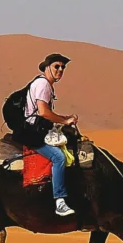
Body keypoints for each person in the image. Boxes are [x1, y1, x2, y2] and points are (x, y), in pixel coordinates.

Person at [21, 52, 80, 218]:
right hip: (32, 134)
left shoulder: (43, 84)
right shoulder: (43, 85)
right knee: (59, 157)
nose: (60, 69)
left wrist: (64, 119)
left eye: (63, 67)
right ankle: (60, 201)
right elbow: (44, 113)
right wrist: (65, 121)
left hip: (37, 130)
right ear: (47, 67)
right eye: (57, 66)